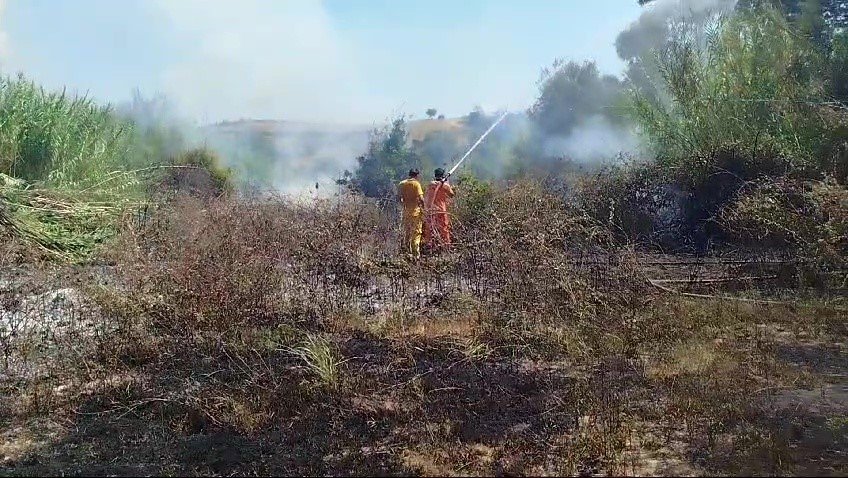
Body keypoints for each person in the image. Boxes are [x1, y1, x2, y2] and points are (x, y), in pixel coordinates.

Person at [424, 168, 456, 251]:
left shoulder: (430, 184)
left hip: (431, 209)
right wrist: (447, 183)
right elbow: (452, 194)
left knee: (430, 227)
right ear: (442, 175)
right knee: (444, 227)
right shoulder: (445, 185)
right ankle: (446, 244)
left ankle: (429, 243)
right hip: (441, 210)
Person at [397, 168, 425, 260]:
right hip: (415, 213)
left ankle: (406, 252)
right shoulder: (416, 184)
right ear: (417, 175)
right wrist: (424, 208)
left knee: (407, 233)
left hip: (406, 212)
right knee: (416, 233)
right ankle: (416, 255)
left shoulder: (402, 184)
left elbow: (399, 198)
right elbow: (421, 199)